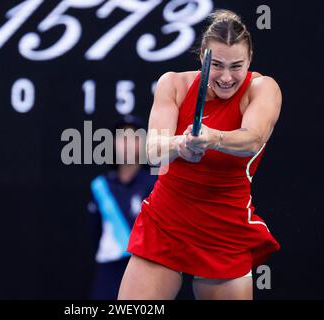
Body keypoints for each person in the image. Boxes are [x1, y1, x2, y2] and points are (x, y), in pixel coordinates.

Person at [118, 9, 282, 300]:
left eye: (237, 66)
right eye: (217, 65)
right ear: (202, 56)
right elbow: (155, 150)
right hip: (166, 223)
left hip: (225, 231)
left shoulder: (263, 88)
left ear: (250, 59)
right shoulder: (173, 84)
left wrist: (212, 137)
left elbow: (253, 139)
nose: (227, 77)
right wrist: (181, 144)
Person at [88, 115, 157, 299]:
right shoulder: (100, 186)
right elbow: (94, 232)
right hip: (108, 270)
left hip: (143, 267)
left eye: (134, 137)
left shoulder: (155, 184)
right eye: (121, 137)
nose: (126, 143)